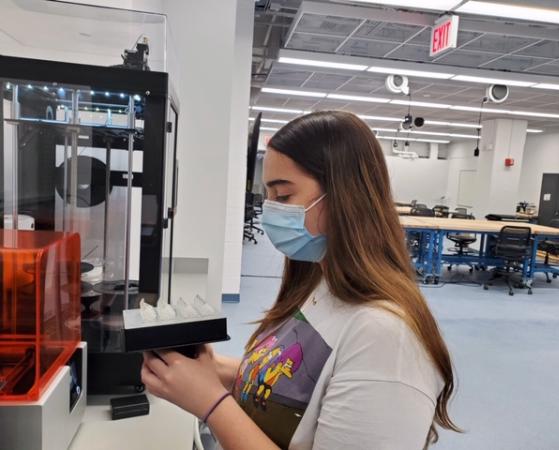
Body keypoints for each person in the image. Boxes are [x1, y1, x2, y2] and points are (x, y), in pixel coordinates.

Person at [141, 111, 460, 449]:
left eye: (283, 197)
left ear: (344, 197)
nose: (270, 211)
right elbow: (299, 390)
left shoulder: (387, 339)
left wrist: (212, 404)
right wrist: (209, 369)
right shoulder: (321, 286)